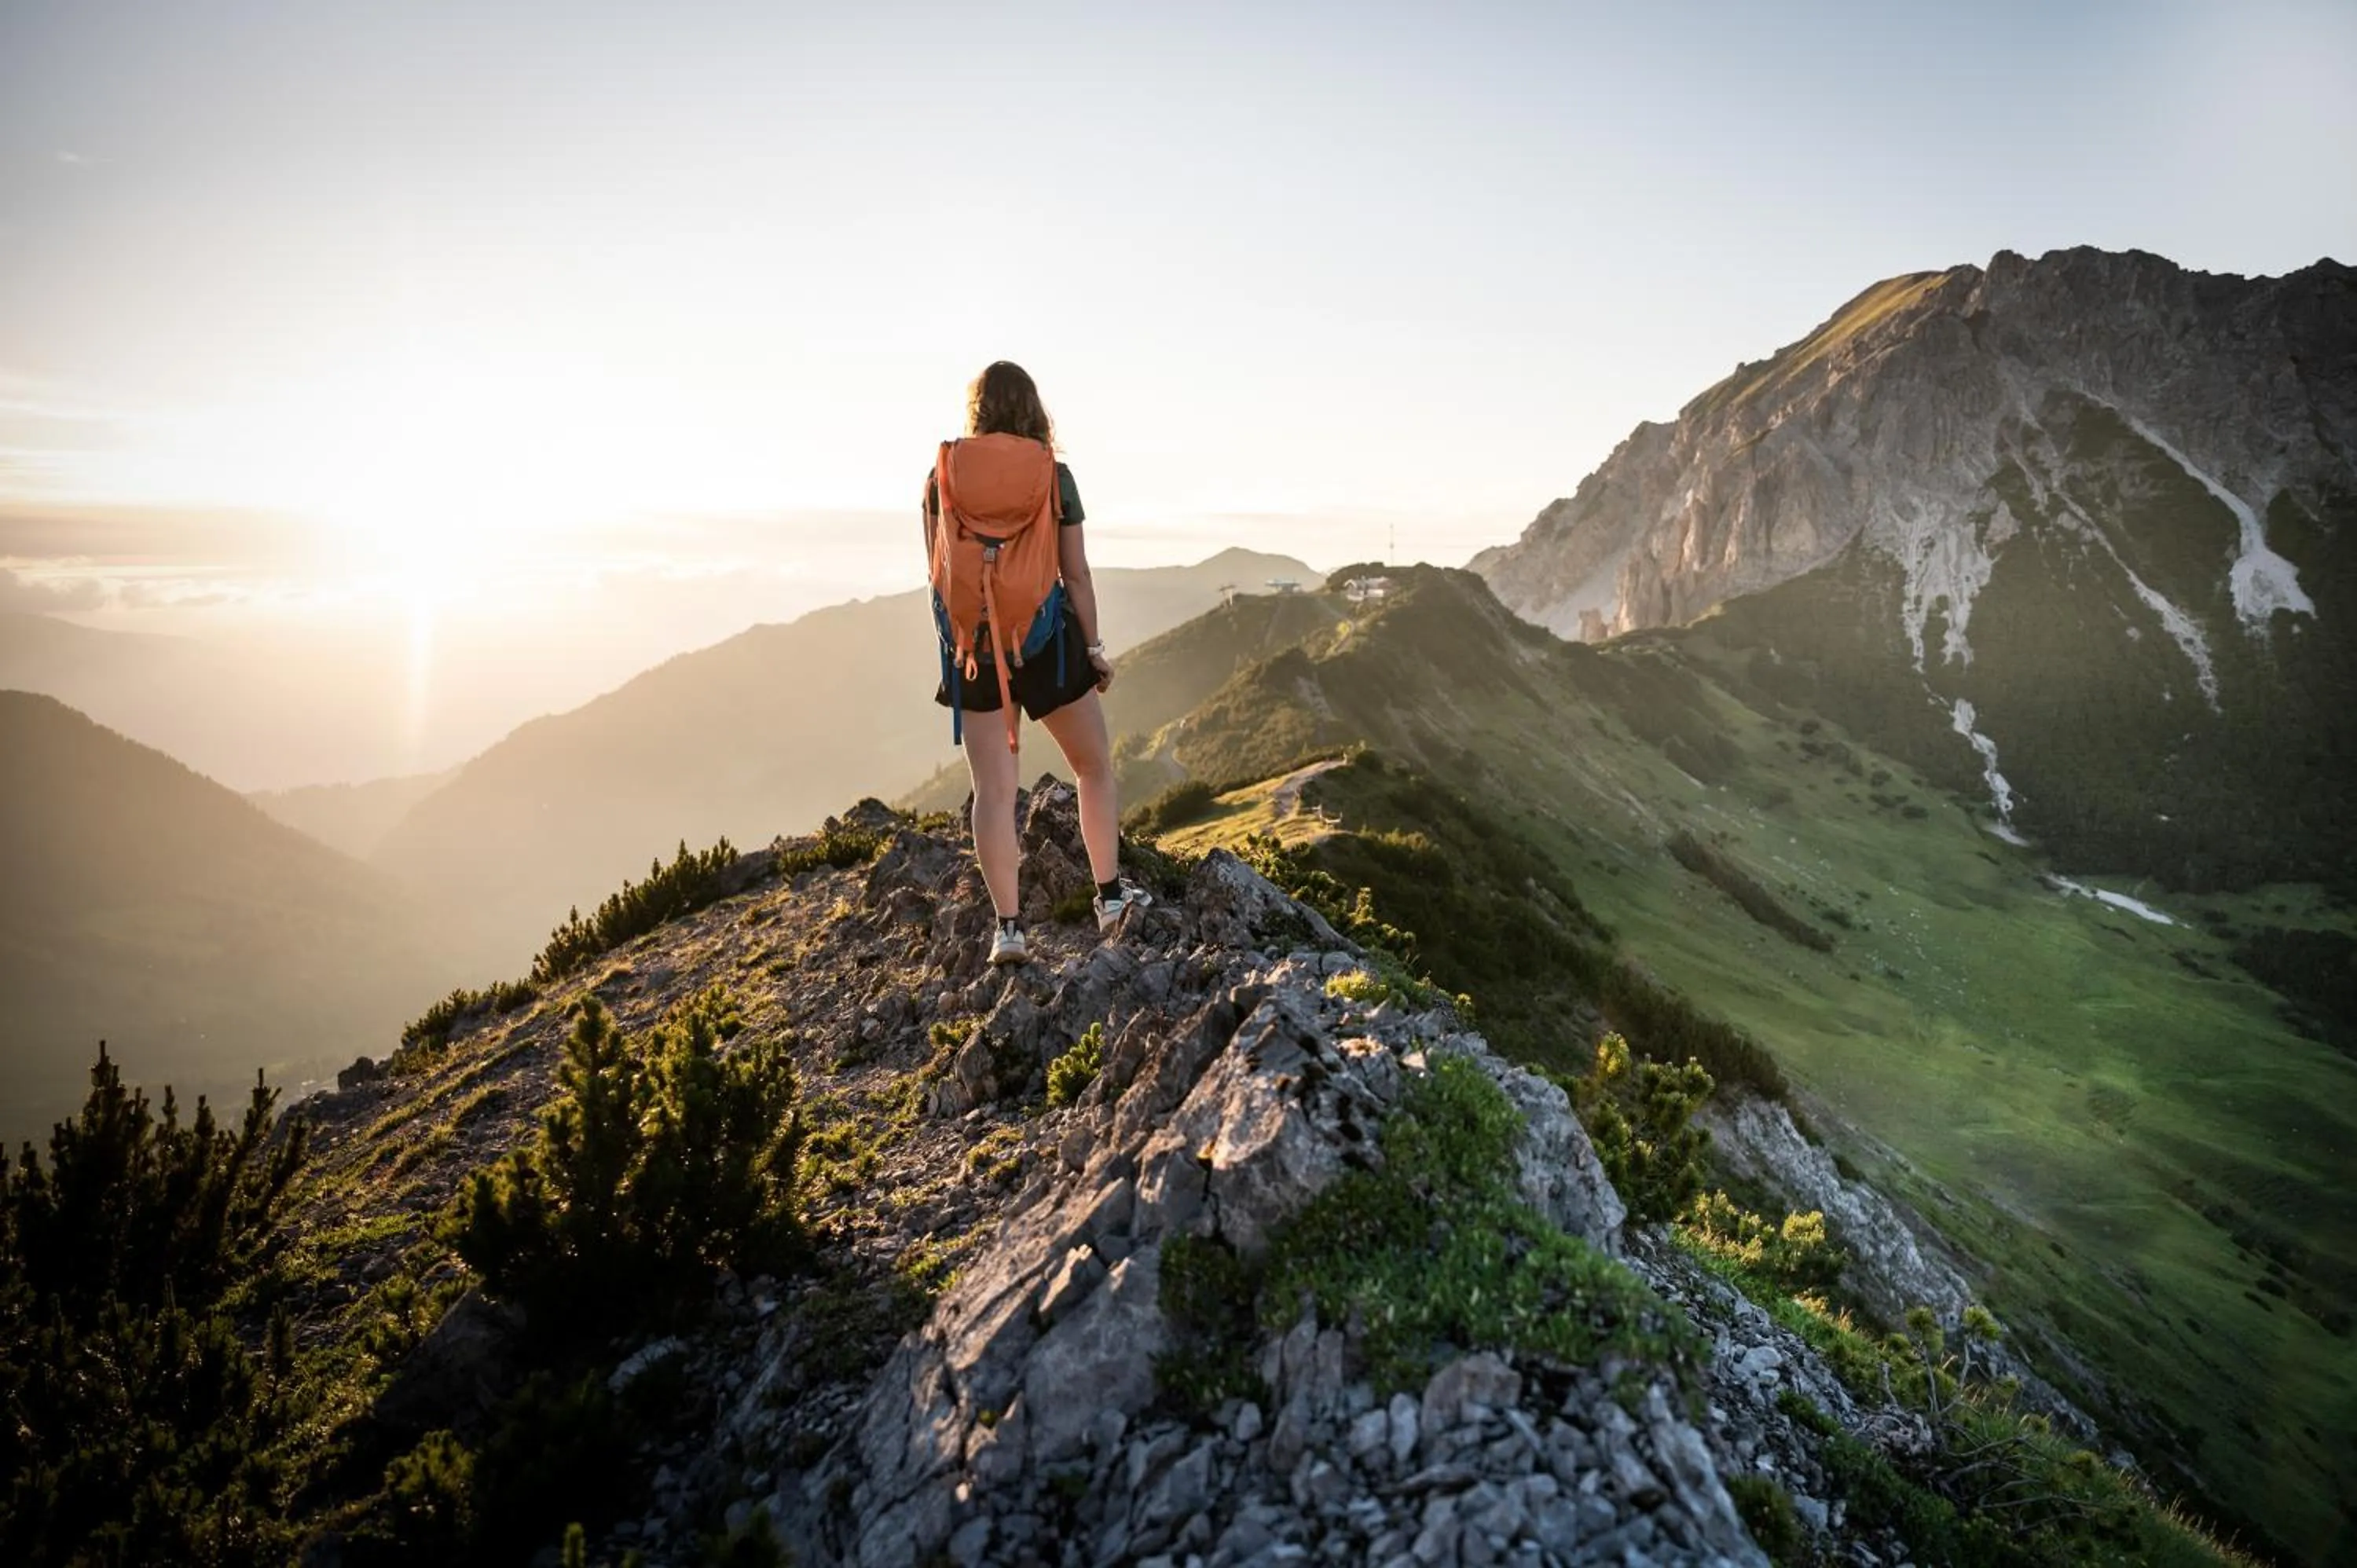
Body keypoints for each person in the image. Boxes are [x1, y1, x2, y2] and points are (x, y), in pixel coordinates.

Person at [925, 361, 1149, 965]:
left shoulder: (942, 473)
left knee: (993, 794)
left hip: (975, 651)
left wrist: (957, 650)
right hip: (1046, 646)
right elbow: (1073, 573)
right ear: (1033, 410)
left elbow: (938, 572)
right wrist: (1094, 651)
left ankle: (1009, 930)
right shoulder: (1055, 477)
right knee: (1093, 766)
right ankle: (1109, 898)